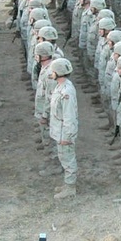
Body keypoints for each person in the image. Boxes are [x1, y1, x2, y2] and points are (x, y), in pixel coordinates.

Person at [49, 58, 80, 200]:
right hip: (58, 130)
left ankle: (70, 187)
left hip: (64, 132)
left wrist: (67, 136)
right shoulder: (60, 87)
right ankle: (67, 183)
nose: (51, 73)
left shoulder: (66, 91)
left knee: (68, 159)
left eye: (53, 71)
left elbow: (69, 116)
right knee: (63, 158)